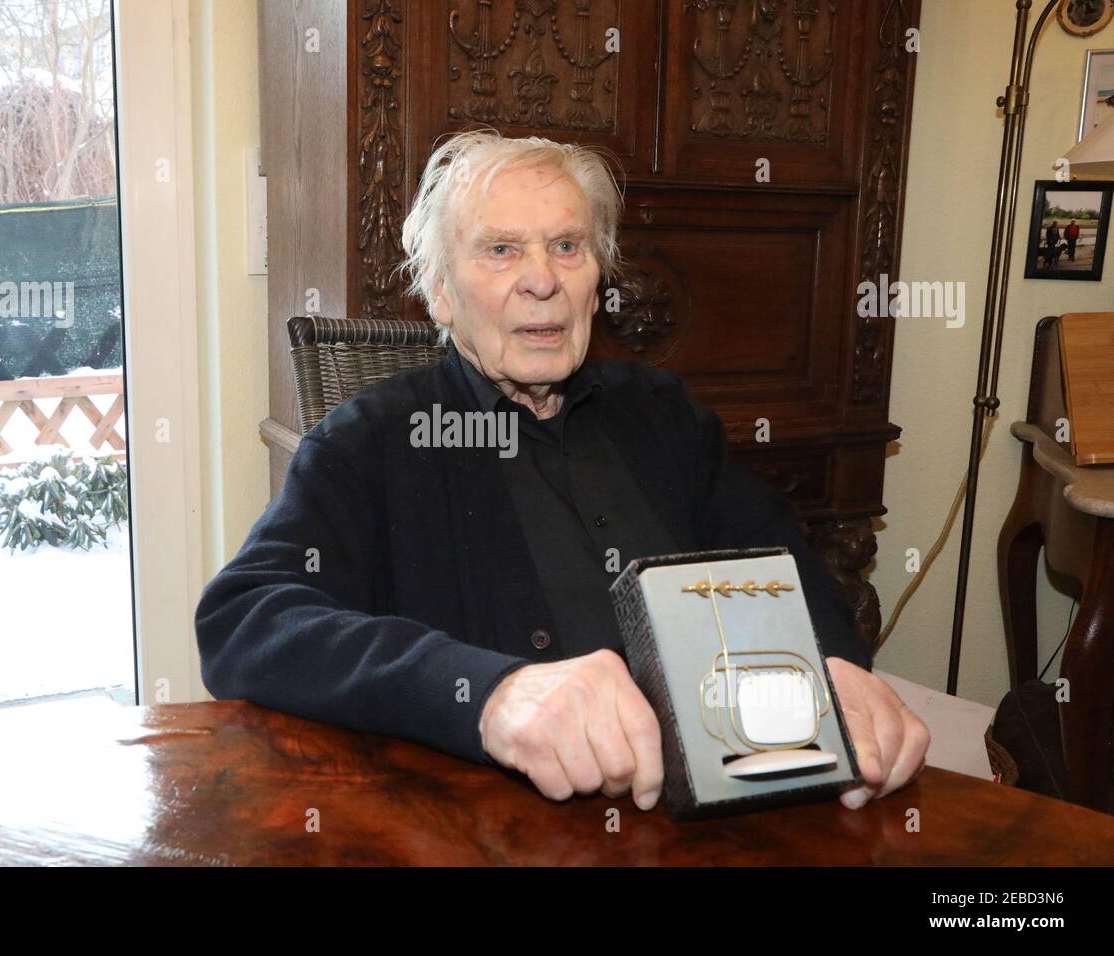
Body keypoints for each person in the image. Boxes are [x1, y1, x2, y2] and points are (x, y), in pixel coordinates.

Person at [195, 130, 930, 813]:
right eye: (502, 251)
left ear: (597, 278)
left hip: (717, 813)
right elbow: (246, 620)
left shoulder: (664, 415)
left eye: (568, 247)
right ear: (441, 293)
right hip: (503, 828)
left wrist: (834, 668)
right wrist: (491, 694)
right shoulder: (372, 442)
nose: (541, 280)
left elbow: (783, 569)